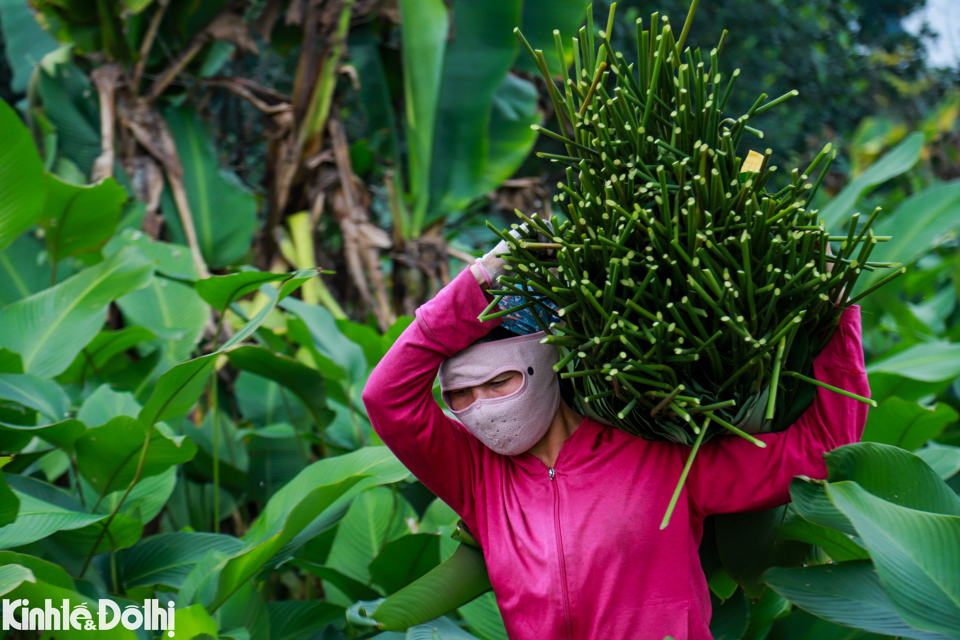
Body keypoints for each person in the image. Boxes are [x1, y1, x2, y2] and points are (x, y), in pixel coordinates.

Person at [361, 232, 870, 640]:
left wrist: (838, 310)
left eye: (500, 383)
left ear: (546, 366)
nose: (481, 409)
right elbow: (386, 397)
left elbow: (819, 450)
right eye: (460, 397)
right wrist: (477, 283)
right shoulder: (476, 478)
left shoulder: (658, 456)